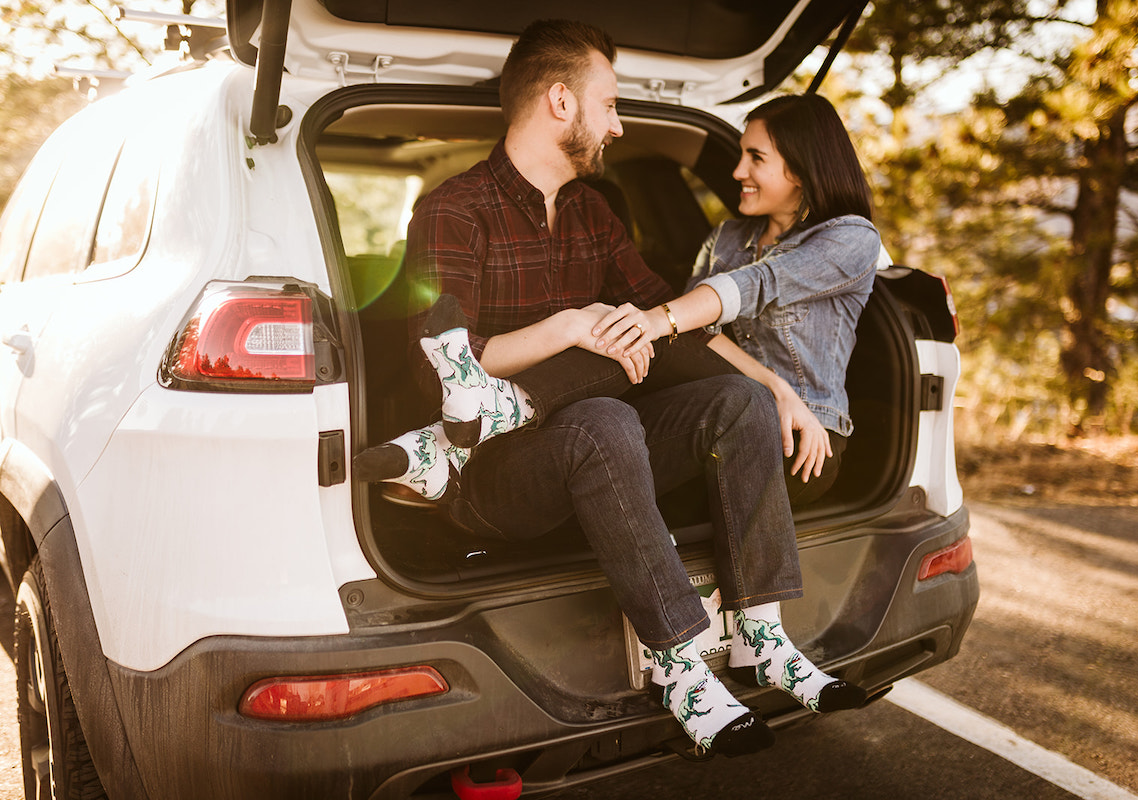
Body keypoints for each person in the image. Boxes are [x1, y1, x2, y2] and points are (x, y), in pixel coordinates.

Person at [353, 19, 865, 756]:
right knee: (603, 411)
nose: (619, 125)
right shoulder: (453, 210)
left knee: (732, 401)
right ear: (561, 102)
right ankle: (680, 663)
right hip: (495, 475)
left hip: (601, 456)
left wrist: (778, 390)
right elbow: (438, 360)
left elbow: (672, 323)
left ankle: (761, 634)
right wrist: (570, 326)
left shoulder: (594, 212)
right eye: (611, 104)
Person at [587, 92, 883, 507]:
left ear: (799, 169)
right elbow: (698, 334)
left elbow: (757, 283)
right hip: (725, 412)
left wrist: (657, 319)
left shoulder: (851, 238)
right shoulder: (726, 238)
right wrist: (773, 386)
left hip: (802, 438)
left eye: (755, 157)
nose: (737, 169)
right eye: (742, 154)